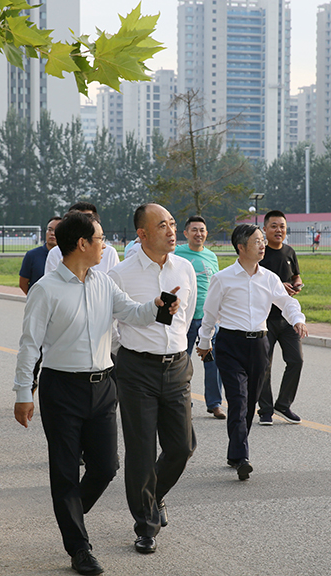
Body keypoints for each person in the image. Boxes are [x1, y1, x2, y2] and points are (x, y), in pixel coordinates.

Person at [13, 211, 178, 575]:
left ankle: (69, 511)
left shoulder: (103, 282)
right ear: (82, 243)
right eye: (101, 238)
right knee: (65, 471)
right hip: (61, 388)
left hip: (103, 386)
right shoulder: (46, 289)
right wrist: (24, 391)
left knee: (106, 467)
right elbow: (29, 345)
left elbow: (132, 313)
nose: (106, 244)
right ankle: (79, 547)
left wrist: (157, 307)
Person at [108, 204, 197, 555]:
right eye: (162, 226)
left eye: (172, 223)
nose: (172, 231)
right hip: (136, 370)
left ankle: (154, 495)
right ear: (142, 234)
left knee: (182, 446)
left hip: (177, 366)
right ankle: (146, 525)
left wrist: (178, 351)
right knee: (142, 450)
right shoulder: (121, 274)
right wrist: (125, 358)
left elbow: (186, 317)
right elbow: (111, 325)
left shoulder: (185, 268)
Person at [196, 224, 307, 481]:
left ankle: (234, 453)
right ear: (241, 247)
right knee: (238, 399)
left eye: (262, 240)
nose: (262, 245)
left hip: (259, 345)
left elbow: (287, 303)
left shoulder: (269, 278)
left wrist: (297, 320)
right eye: (257, 241)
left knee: (249, 404)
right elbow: (210, 314)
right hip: (229, 344)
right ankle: (243, 457)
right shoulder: (222, 278)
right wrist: (205, 341)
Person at [257, 210, 305, 426]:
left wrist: (297, 283)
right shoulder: (260, 254)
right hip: (265, 318)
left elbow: (296, 275)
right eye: (274, 226)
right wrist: (277, 288)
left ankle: (283, 405)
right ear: (265, 229)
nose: (279, 230)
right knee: (264, 365)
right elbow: (254, 283)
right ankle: (265, 410)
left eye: (282, 226)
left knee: (296, 360)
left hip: (286, 318)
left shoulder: (289, 252)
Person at [174, 216, 224, 419]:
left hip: (208, 319)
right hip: (185, 318)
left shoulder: (211, 256)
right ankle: (183, 401)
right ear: (186, 233)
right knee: (182, 362)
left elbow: (217, 286)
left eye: (202, 230)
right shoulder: (176, 253)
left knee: (212, 361)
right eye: (194, 230)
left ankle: (214, 403)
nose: (199, 233)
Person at [44, 202, 119, 275]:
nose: (84, 223)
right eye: (79, 220)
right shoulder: (55, 253)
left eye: (89, 218)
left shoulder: (109, 255)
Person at [20, 216, 61, 294]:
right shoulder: (32, 255)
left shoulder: (68, 256)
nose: (52, 233)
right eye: (50, 230)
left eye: (57, 230)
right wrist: (34, 297)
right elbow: (23, 282)